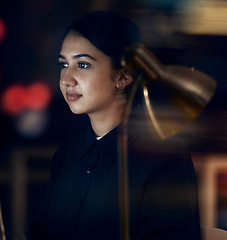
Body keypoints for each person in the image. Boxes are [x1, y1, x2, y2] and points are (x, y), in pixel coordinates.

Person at [30, 11, 201, 240]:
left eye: (82, 64)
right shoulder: (66, 155)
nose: (66, 79)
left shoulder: (164, 156)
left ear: (123, 75)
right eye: (64, 64)